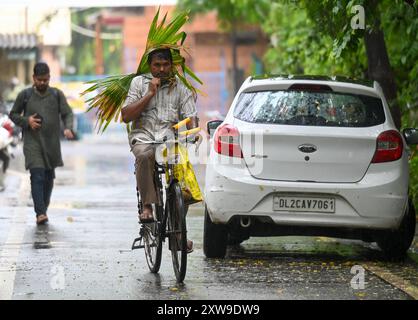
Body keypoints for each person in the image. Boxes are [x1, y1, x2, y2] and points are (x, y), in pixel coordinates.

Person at [121, 48, 199, 253]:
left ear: (171, 66)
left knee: (182, 184)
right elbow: (126, 116)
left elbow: (191, 117)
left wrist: (193, 132)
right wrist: (149, 94)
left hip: (169, 141)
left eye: (165, 65)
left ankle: (177, 235)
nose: (162, 69)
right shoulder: (138, 84)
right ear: (150, 66)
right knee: (145, 155)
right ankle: (148, 206)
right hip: (144, 137)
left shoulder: (181, 88)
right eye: (157, 65)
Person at [9, 62, 74, 225]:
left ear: (49, 78)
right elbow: (13, 114)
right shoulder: (25, 95)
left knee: (48, 178)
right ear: (33, 78)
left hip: (52, 145)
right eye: (40, 80)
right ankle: (40, 213)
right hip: (32, 143)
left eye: (45, 80)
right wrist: (26, 120)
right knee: (37, 175)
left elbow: (67, 113)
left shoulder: (56, 94)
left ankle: (43, 208)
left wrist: (68, 128)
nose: (43, 83)